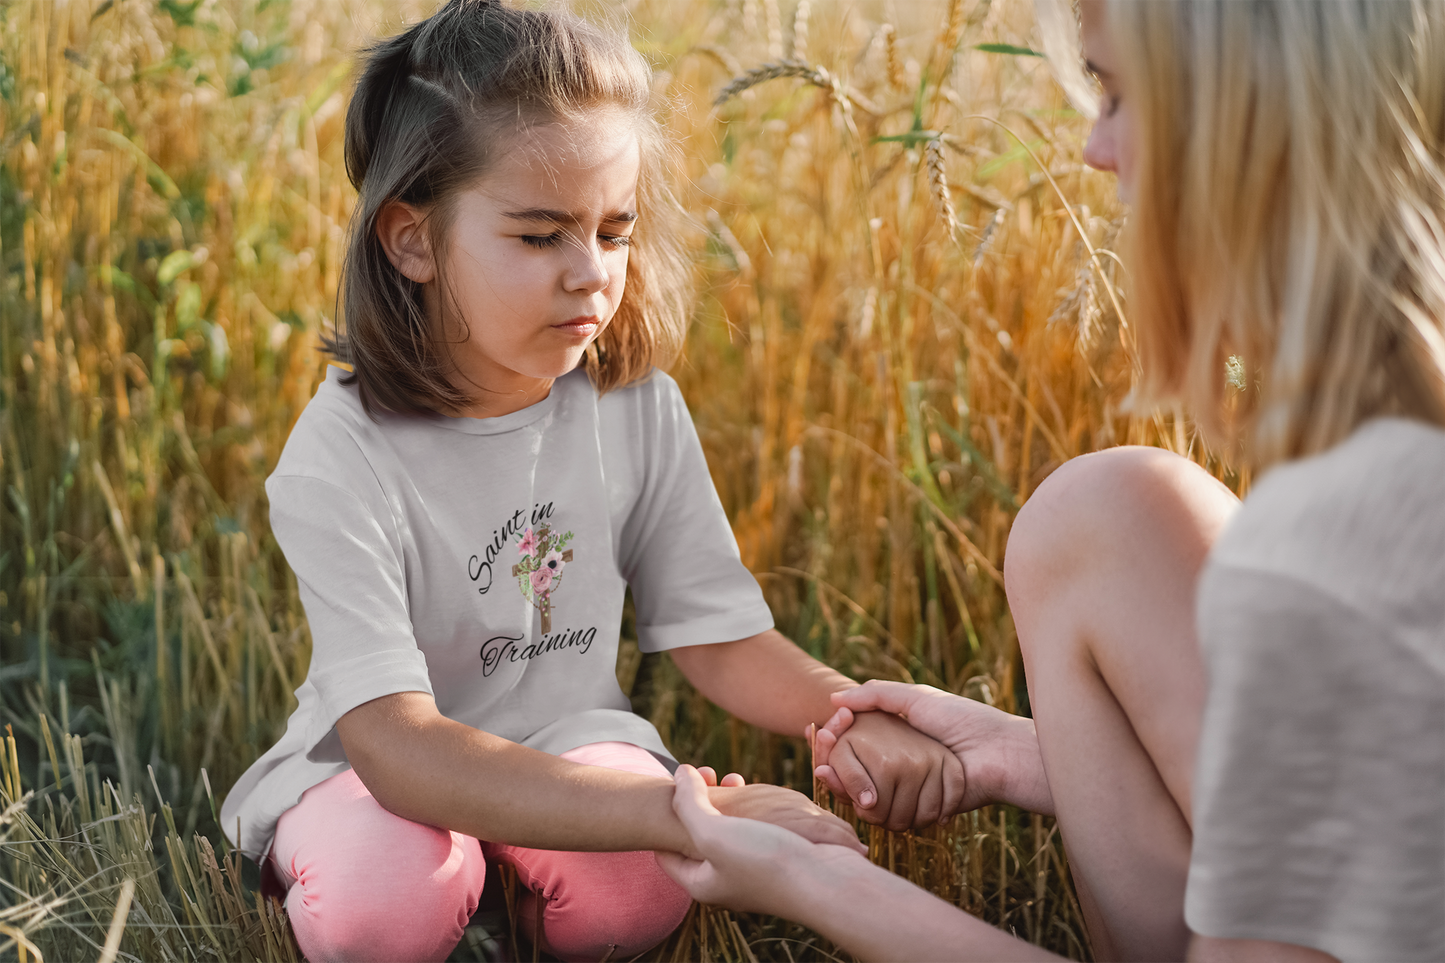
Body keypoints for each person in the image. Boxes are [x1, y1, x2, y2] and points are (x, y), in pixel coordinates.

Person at [657, 0, 1445, 960]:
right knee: (1103, 517)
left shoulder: (1340, 556)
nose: (1093, 150)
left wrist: (816, 882)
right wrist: (1024, 753)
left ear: (1248, 117)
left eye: (1116, 95)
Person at [216, 3, 972, 961]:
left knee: (630, 901)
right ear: (410, 240)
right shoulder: (339, 456)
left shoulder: (632, 405)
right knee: (378, 913)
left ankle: (517, 906)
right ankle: (437, 881)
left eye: (613, 231)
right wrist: (679, 807)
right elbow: (400, 745)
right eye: (539, 237)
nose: (591, 276)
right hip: (376, 777)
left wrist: (857, 715)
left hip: (568, 741)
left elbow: (720, 636)